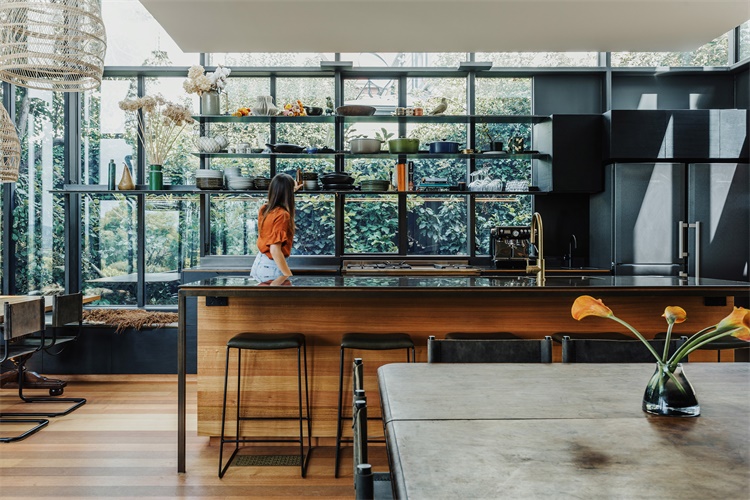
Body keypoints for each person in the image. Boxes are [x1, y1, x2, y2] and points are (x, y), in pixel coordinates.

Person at [250, 173, 301, 286]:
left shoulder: (265, 209)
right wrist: (287, 274)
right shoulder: (283, 215)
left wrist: (292, 189)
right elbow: (274, 250)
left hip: (260, 264)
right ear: (288, 193)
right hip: (272, 268)